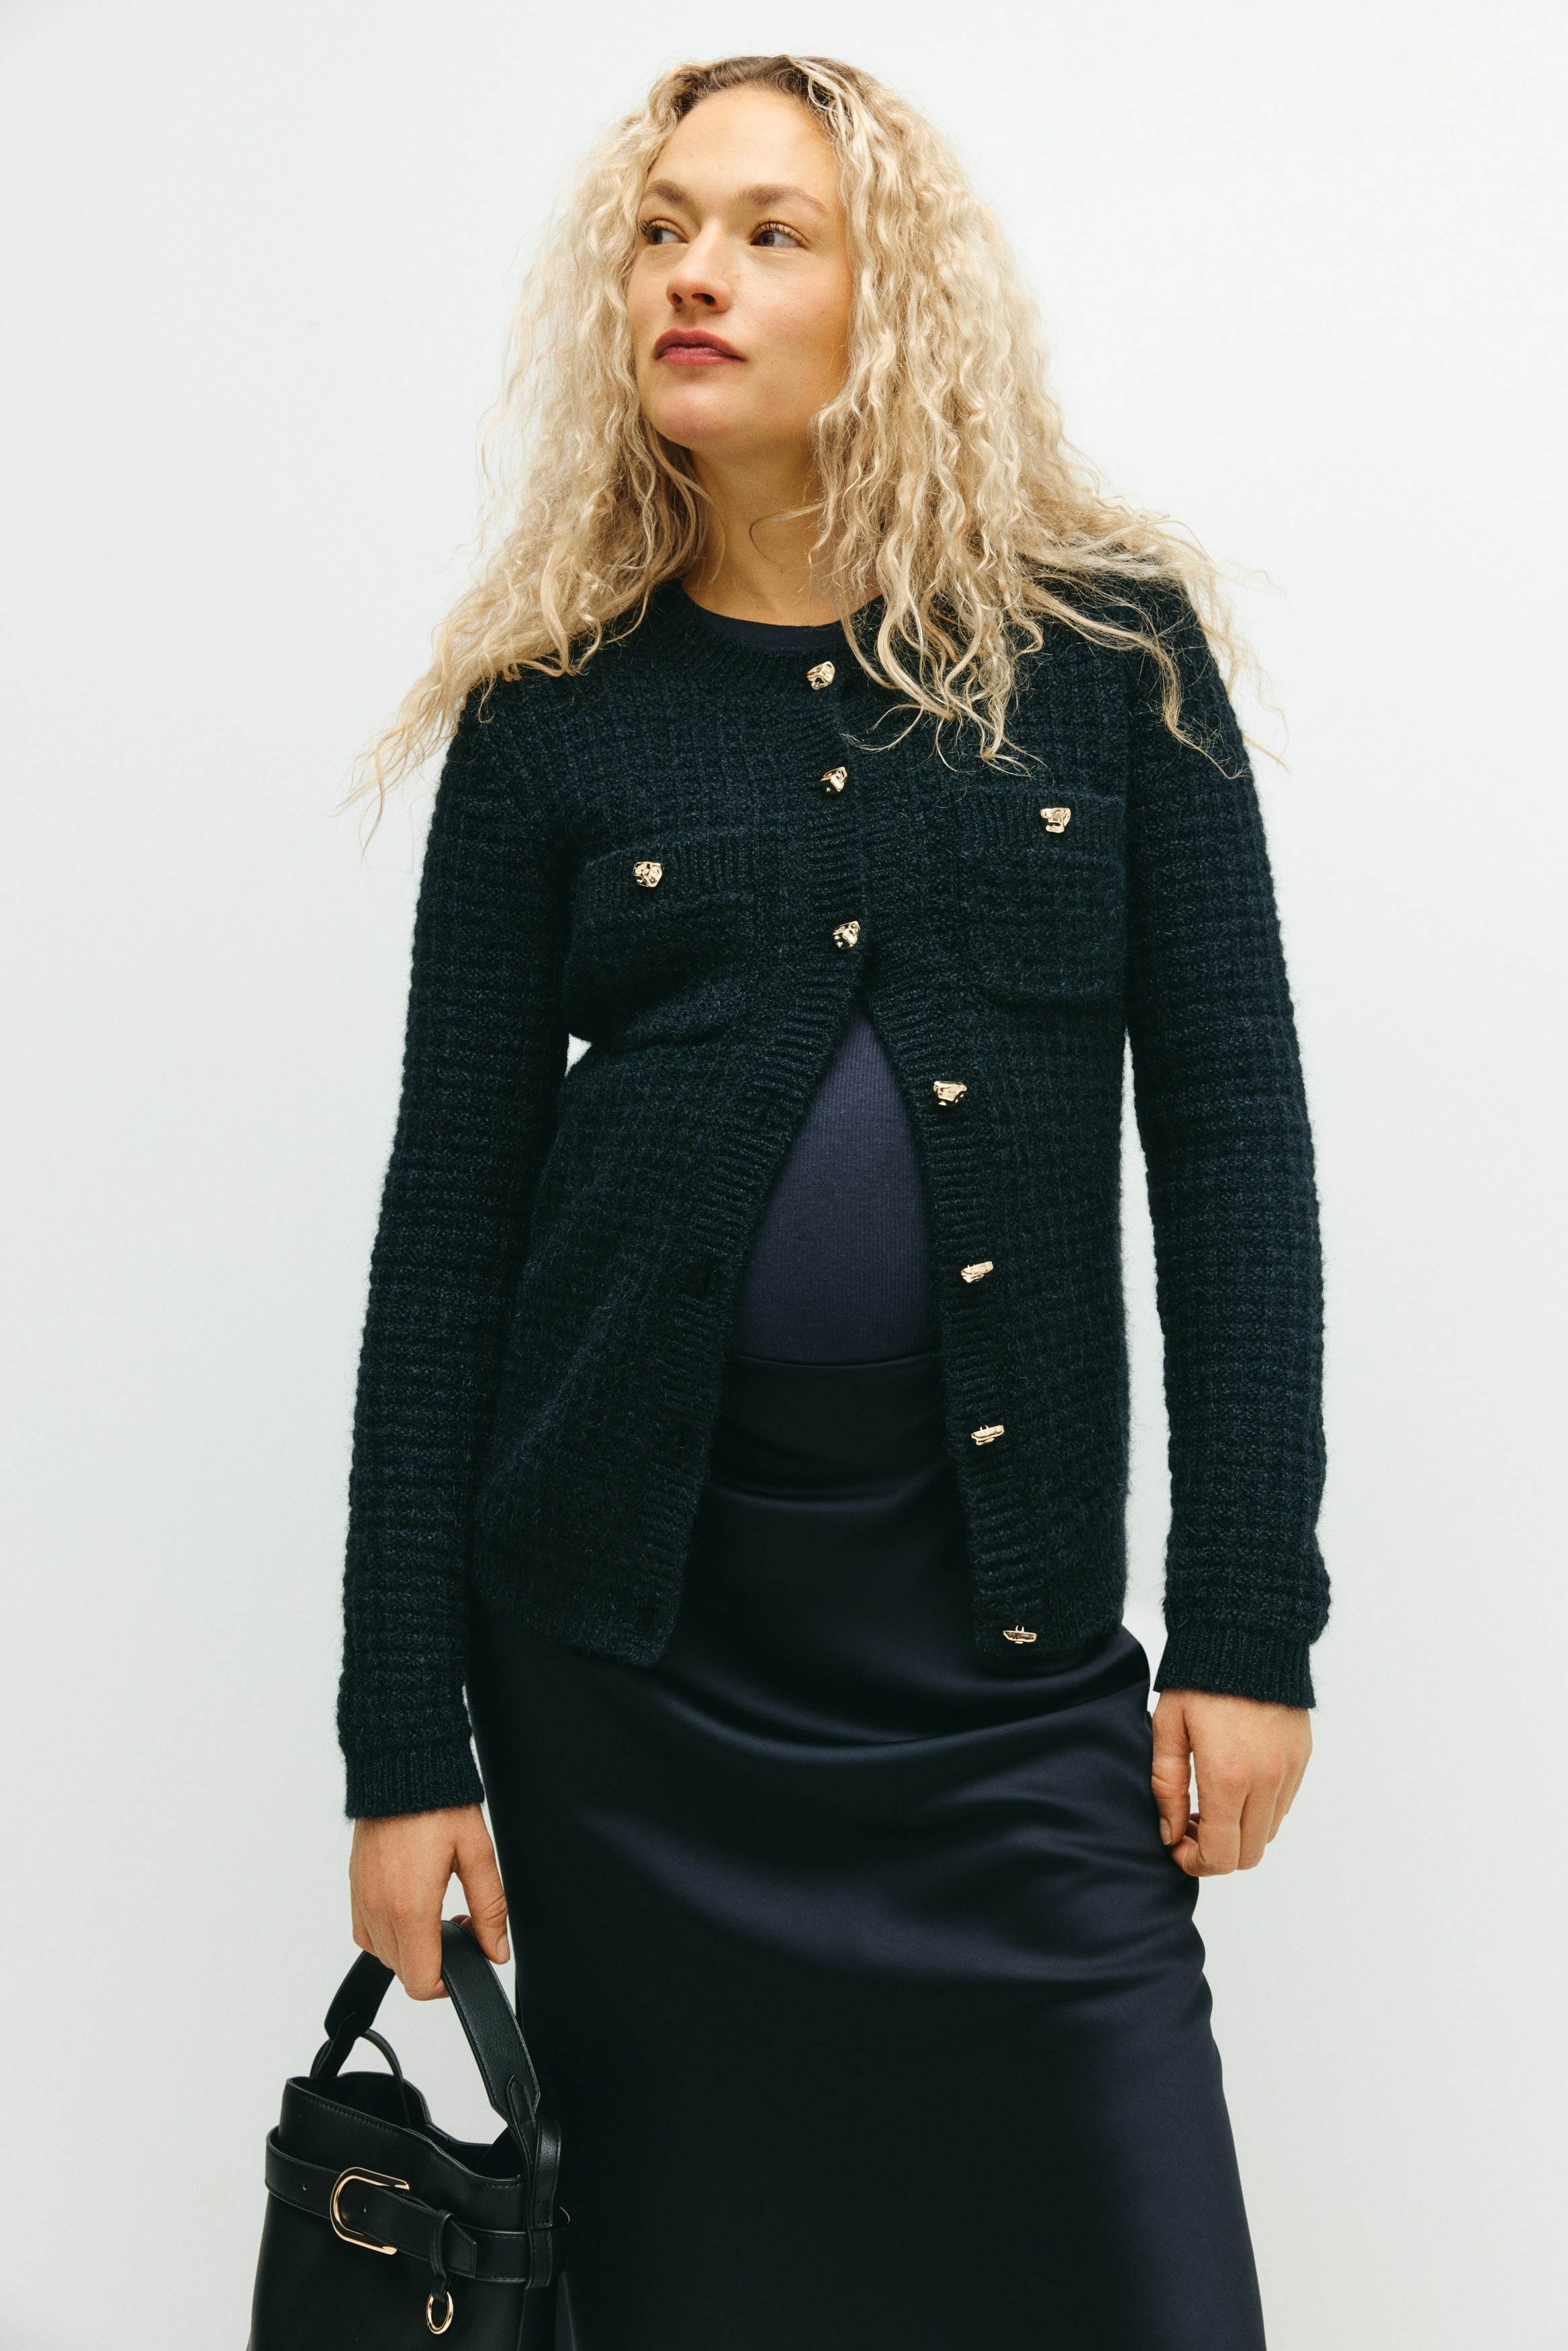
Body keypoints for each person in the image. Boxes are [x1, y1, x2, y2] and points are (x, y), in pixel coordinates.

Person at [340, 52, 1326, 2351]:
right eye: (662, 229)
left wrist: (1246, 1621)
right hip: (634, 1693)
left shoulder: (1112, 666)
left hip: (996, 1664)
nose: (693, 273)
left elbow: (1238, 1149)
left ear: (902, 299)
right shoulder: (551, 716)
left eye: (770, 232)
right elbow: (448, 1235)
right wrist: (406, 1743)